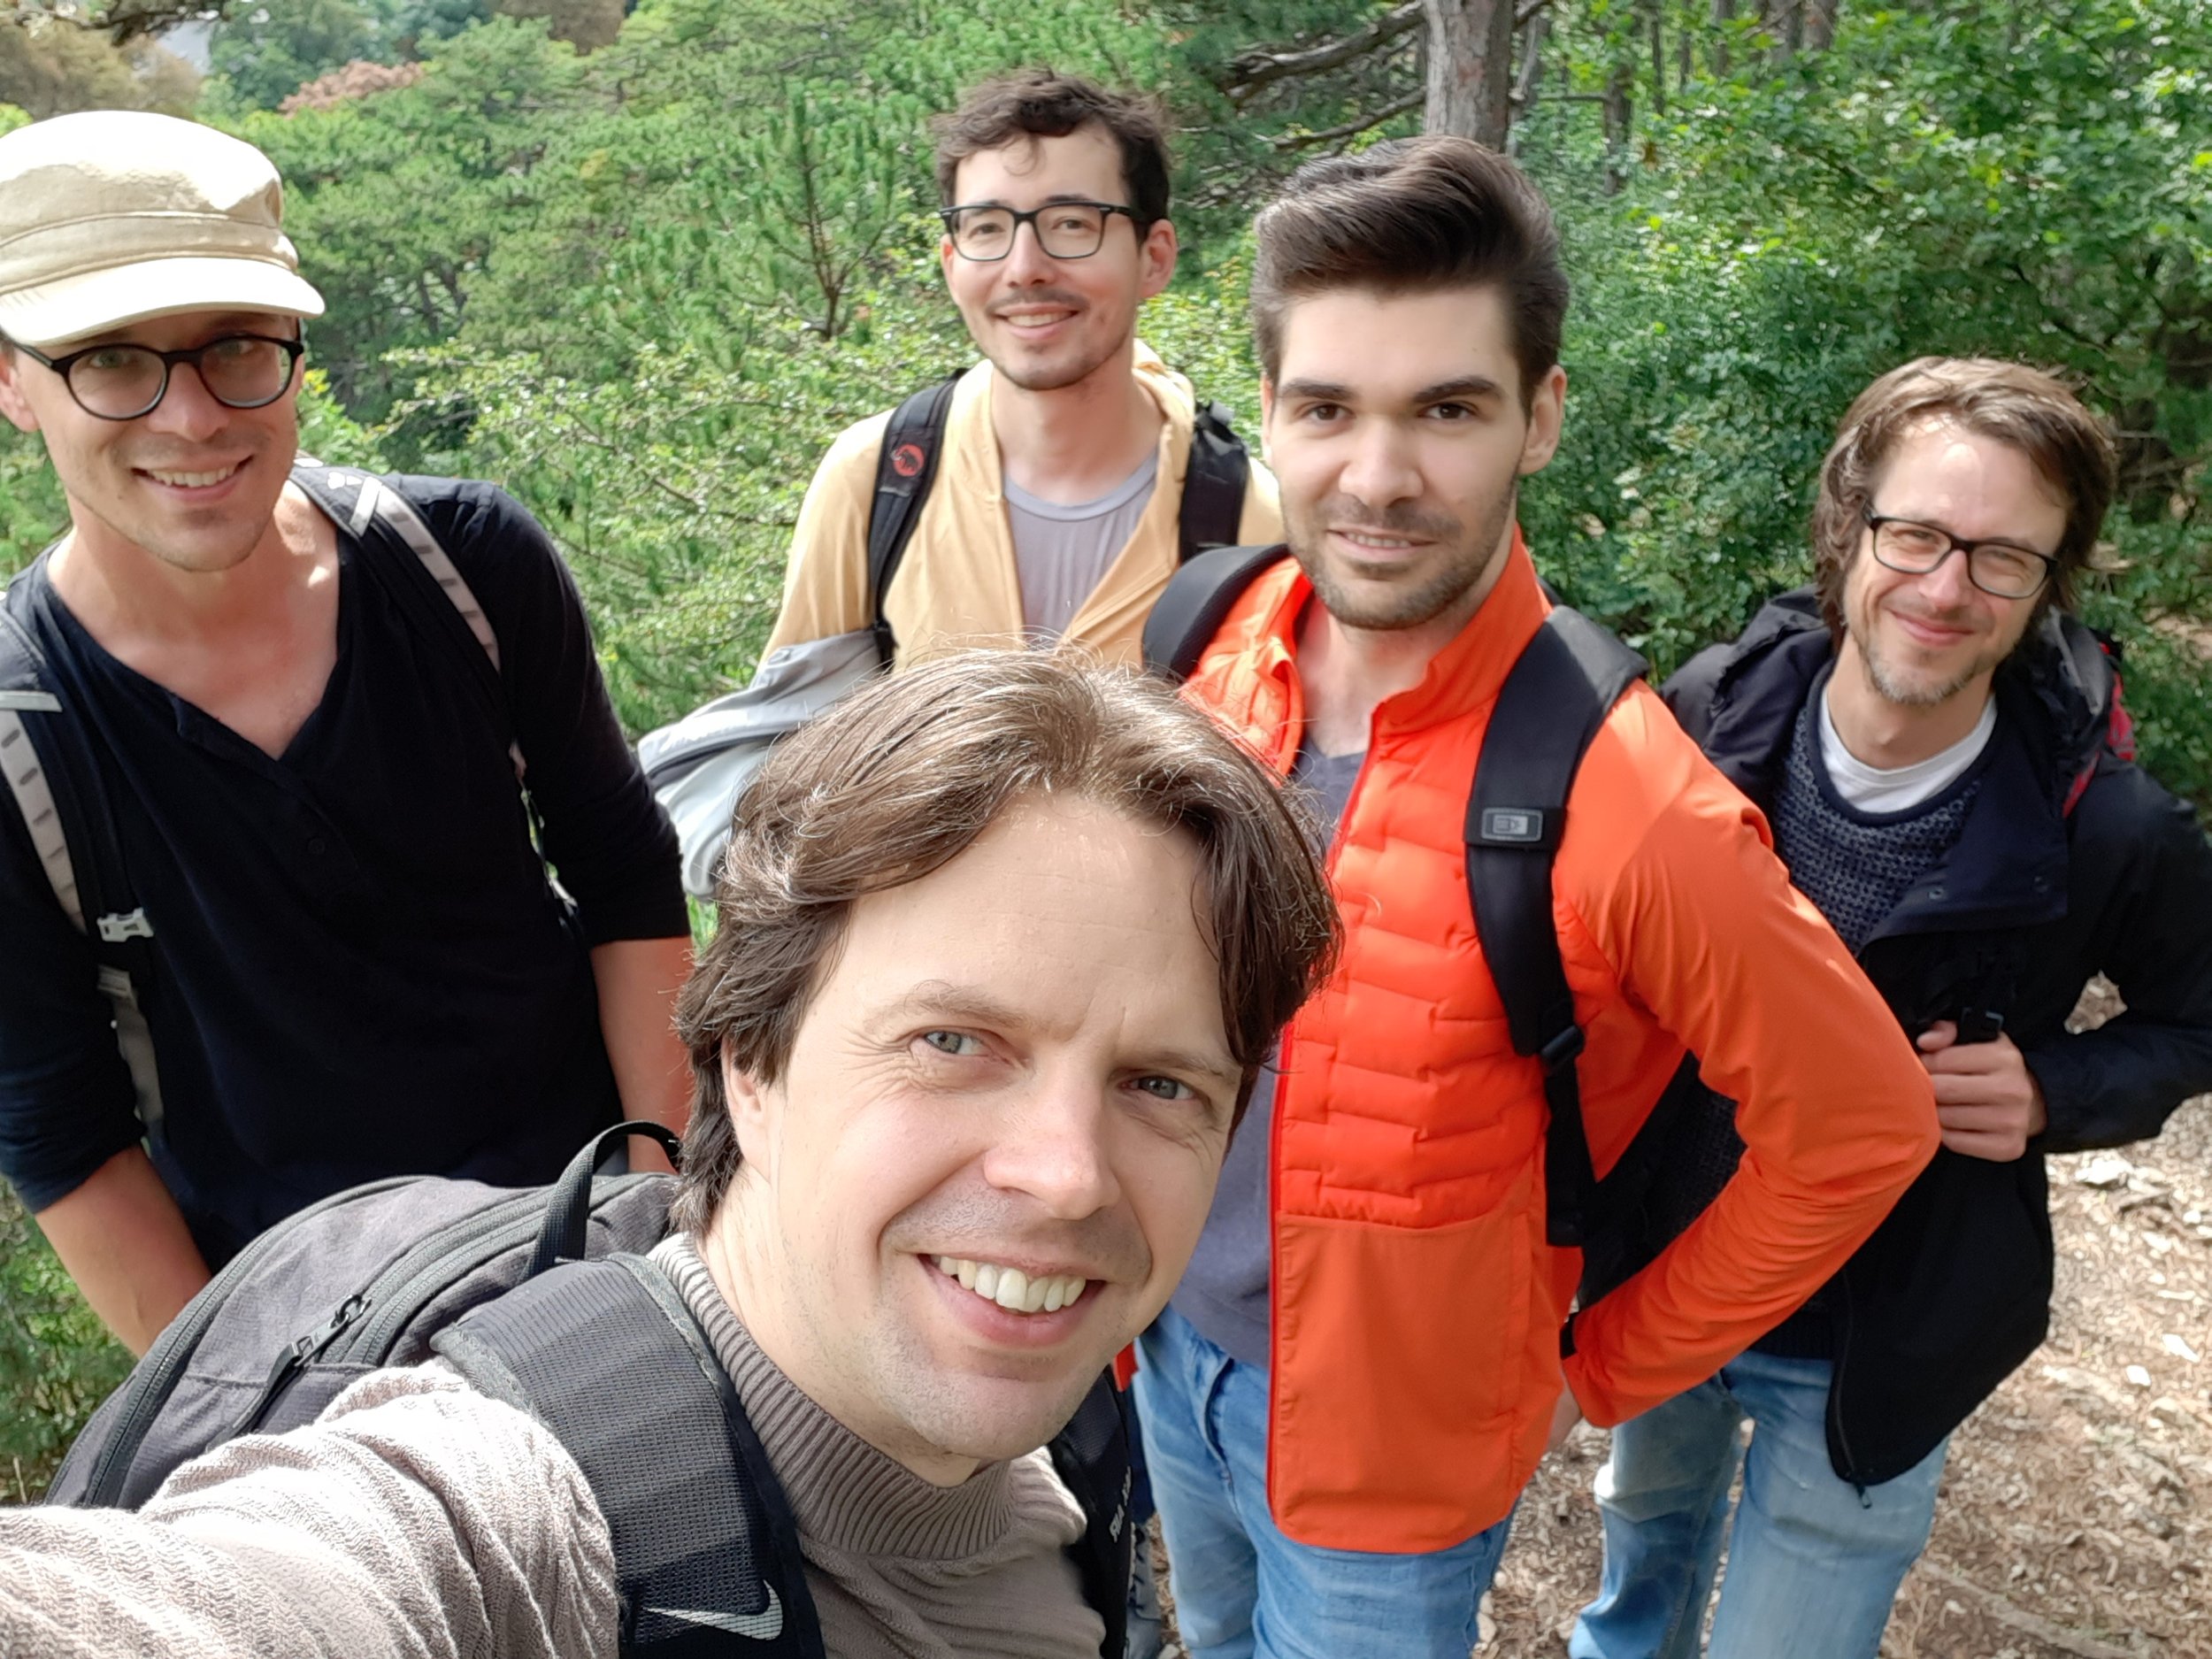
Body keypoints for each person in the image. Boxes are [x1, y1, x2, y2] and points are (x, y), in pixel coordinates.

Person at [0, 649, 1340, 1659]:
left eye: (1160, 1081)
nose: (1069, 1173)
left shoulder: (1068, 1439)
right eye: (954, 1040)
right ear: (751, 1060)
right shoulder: (523, 1512)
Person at [1136, 136, 1945, 1659]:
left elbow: (1859, 1125)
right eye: (1327, 410)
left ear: (1541, 417)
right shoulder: (1207, 636)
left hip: (1395, 1467)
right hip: (1169, 1356)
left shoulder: (1626, 796)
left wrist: (1604, 1360)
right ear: (1277, 421)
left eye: (1447, 409)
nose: (1377, 479)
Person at [0, 111, 693, 1353]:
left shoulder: (463, 567)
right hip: (304, 1337)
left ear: (297, 354)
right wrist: (241, 1399)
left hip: (602, 1247)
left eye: (236, 348)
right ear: (11, 380)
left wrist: (669, 1220)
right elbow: (60, 1125)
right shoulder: (21, 736)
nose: (195, 417)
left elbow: (624, 874)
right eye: (111, 360)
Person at [1570, 359, 2212, 1659]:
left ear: (2051, 582)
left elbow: (2199, 1017)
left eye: (2001, 557)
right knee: (1641, 1569)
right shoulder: (1705, 713)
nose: (1943, 588)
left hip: (1882, 1326)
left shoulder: (2108, 823)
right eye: (1915, 533)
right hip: (1673, 1270)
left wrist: (2057, 1088)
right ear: (1847, 528)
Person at [764, 68, 1279, 669]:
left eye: (1071, 224)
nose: (1024, 267)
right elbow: (789, 742)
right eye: (987, 229)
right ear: (952, 263)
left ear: (1155, 258)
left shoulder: (1250, 519)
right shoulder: (878, 480)